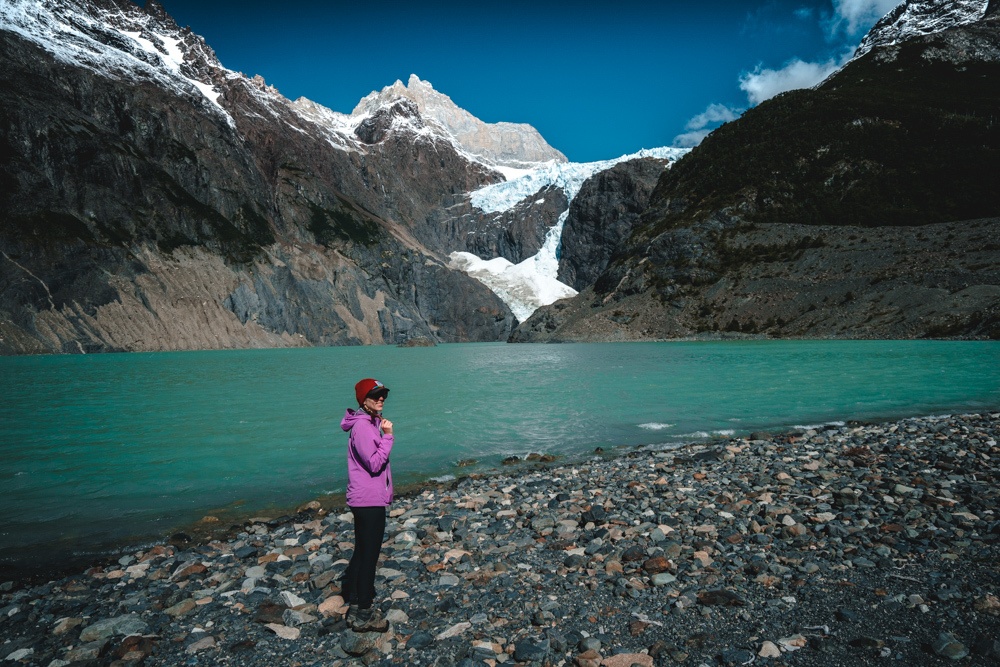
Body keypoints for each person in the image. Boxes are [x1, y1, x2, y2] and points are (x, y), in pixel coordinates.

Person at [340, 378, 394, 633]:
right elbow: (373, 464)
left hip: (368, 498)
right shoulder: (363, 427)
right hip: (368, 500)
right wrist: (389, 437)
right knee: (369, 555)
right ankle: (364, 613)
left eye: (383, 394)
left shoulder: (369, 422)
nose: (381, 398)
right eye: (375, 395)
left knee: (362, 552)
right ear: (363, 400)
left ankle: (355, 602)